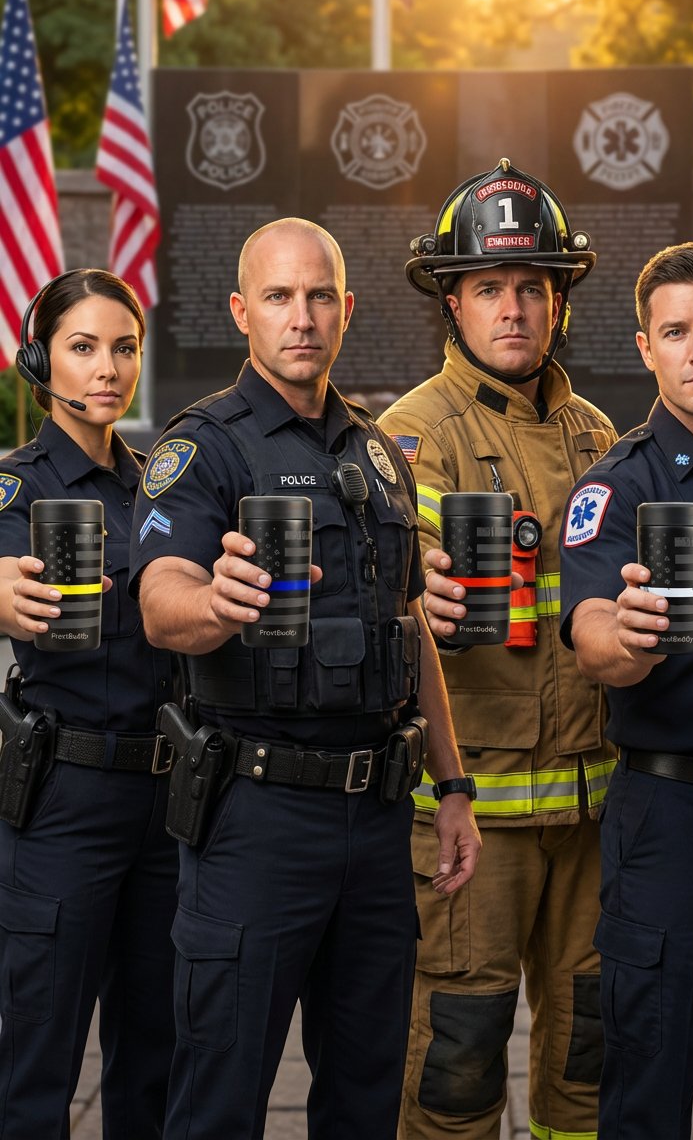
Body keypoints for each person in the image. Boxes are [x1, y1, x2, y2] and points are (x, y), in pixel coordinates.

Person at [128, 217, 481, 1140]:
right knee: (219, 1100)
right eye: (280, 296)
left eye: (321, 296)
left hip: (377, 824)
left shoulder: (375, 450)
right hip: (256, 821)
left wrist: (452, 787)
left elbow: (410, 624)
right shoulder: (203, 446)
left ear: (346, 309)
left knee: (366, 1097)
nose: (303, 316)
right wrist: (218, 602)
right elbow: (160, 598)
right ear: (242, 311)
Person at [378, 158, 618, 1140]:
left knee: (590, 1057)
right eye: (488, 288)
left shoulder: (597, 433)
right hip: (473, 821)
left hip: (594, 809)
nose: (513, 308)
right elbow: (388, 595)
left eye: (531, 286)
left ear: (559, 299)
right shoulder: (412, 435)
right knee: (458, 1064)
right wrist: (417, 598)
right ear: (452, 302)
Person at [559, 241, 693, 1140]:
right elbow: (591, 637)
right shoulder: (617, 486)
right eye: (676, 332)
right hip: (678, 824)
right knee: (649, 1093)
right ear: (646, 348)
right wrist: (631, 636)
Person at [0, 269, 178, 1139]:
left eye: (123, 348)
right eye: (82, 347)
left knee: (156, 1058)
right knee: (39, 1060)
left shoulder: (164, 487)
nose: (107, 368)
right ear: (40, 362)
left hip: (172, 804)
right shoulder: (17, 486)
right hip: (65, 801)